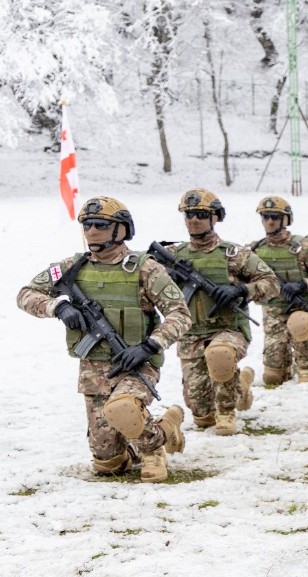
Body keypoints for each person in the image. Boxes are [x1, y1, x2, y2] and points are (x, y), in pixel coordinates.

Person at [17, 197, 192, 481]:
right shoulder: (71, 267)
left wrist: (150, 345)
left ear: (121, 229)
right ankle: (159, 430)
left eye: (101, 224)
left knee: (123, 406)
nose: (91, 230)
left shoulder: (144, 268)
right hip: (94, 368)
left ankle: (154, 449)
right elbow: (25, 294)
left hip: (136, 362)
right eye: (87, 224)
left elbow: (181, 315)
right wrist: (58, 307)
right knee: (107, 462)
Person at [166, 189, 279, 435]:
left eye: (201, 214)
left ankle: (227, 411)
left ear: (214, 217)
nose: (193, 220)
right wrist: (169, 277)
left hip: (228, 330)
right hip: (191, 334)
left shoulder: (234, 255)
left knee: (219, 354)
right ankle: (241, 385)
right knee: (202, 415)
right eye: (188, 215)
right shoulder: (173, 255)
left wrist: (240, 290)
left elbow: (271, 284)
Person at [249, 196, 308, 387]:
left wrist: (303, 285)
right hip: (273, 310)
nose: (270, 221)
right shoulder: (255, 250)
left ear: (285, 220)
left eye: (275, 217)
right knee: (272, 378)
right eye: (266, 217)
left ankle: (304, 368)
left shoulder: (302, 247)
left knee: (300, 325)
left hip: (300, 307)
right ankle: (282, 368)